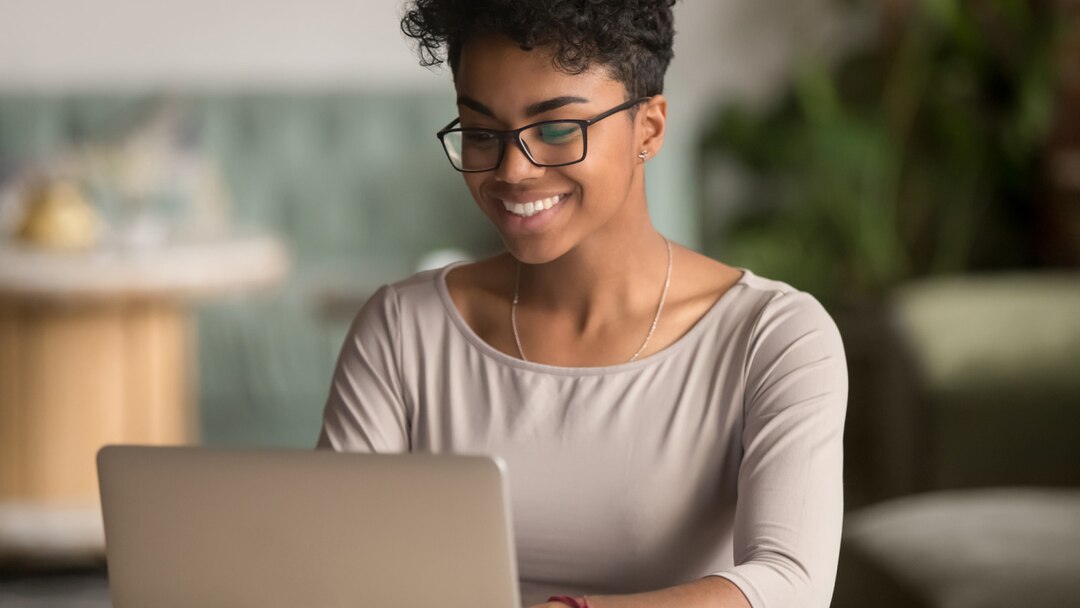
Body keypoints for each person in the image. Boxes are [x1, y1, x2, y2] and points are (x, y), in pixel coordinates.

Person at [316, 1, 848, 607]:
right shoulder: (402, 330)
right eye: (482, 133)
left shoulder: (773, 337)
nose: (513, 170)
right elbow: (338, 566)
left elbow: (789, 585)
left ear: (648, 128)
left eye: (558, 129)